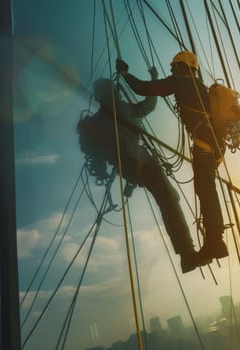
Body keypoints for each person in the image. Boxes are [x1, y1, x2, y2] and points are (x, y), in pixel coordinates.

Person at [85, 73, 206, 273]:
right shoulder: (121, 110)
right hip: (143, 164)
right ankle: (187, 253)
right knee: (169, 200)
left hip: (130, 170)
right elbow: (148, 106)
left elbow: (101, 153)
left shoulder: (98, 121)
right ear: (111, 93)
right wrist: (154, 78)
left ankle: (186, 253)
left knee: (168, 199)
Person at [115, 51, 228, 262]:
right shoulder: (199, 86)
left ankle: (215, 241)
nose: (171, 70)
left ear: (181, 67)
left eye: (174, 66)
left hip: (204, 145)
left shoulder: (181, 81)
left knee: (205, 191)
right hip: (214, 146)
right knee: (207, 190)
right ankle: (216, 240)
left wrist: (124, 73)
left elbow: (143, 89)